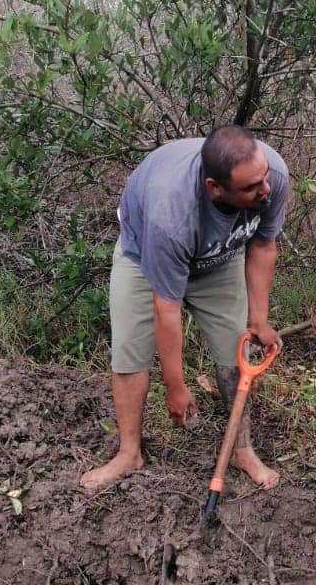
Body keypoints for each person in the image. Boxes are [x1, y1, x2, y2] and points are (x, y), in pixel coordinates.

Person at [81, 125, 287, 491]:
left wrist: (259, 320)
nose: (265, 190)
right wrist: (175, 386)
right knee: (130, 353)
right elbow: (166, 307)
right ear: (214, 188)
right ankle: (129, 453)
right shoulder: (169, 215)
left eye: (264, 179)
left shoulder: (271, 173)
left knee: (234, 354)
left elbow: (264, 245)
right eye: (251, 188)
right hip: (146, 257)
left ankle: (242, 450)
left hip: (219, 257)